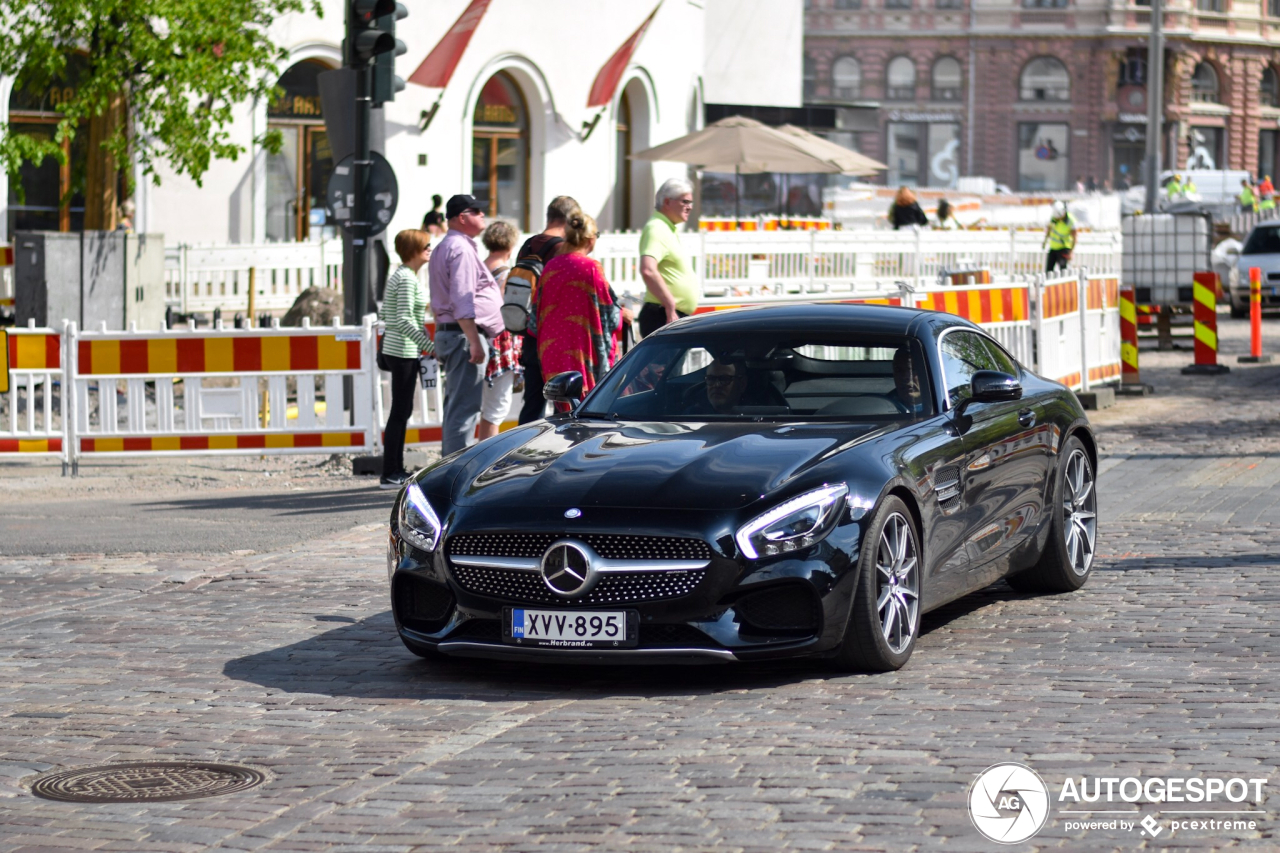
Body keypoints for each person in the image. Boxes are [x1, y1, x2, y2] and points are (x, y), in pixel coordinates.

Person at [428, 194, 504, 456]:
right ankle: (453, 475)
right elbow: (462, 297)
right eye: (478, 211)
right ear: (462, 217)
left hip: (452, 332)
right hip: (462, 334)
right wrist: (474, 340)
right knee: (463, 410)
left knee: (456, 407)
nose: (483, 215)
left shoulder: (444, 246)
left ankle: (449, 469)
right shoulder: (460, 248)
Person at [536, 211, 619, 408]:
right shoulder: (591, 268)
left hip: (552, 349)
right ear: (590, 239)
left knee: (562, 409)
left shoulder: (550, 267)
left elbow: (535, 315)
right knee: (587, 409)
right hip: (583, 350)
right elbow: (610, 315)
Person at [378, 229, 435, 489]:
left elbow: (395, 315)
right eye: (426, 245)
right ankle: (391, 471)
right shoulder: (406, 279)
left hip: (401, 349)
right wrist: (428, 346)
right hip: (402, 350)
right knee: (400, 412)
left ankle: (394, 468)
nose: (430, 249)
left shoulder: (404, 276)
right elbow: (402, 319)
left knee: (401, 411)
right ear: (413, 249)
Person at [516, 195, 579, 424]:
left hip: (531, 334)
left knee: (532, 404)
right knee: (563, 404)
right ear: (570, 220)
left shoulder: (528, 244)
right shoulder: (561, 249)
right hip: (555, 338)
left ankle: (522, 454)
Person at [477, 220, 523, 441]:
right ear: (511, 244)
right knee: (495, 409)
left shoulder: (478, 267)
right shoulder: (506, 274)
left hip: (477, 336)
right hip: (500, 343)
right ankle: (483, 460)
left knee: (482, 407)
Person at [638, 178, 698, 337]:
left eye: (691, 202)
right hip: (663, 315)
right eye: (685, 201)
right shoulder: (657, 228)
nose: (690, 207)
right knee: (660, 363)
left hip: (668, 314)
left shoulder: (666, 227)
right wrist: (670, 305)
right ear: (667, 201)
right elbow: (648, 270)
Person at [1042, 201, 1077, 274]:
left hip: (1064, 248)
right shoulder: (1054, 218)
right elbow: (1049, 229)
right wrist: (1045, 241)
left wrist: (1071, 252)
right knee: (1048, 271)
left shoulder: (1071, 221)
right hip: (1053, 247)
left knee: (1063, 270)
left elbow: (1074, 238)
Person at [892, 348, 924, 415]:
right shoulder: (883, 405)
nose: (905, 376)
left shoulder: (945, 405)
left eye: (913, 369)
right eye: (898, 370)